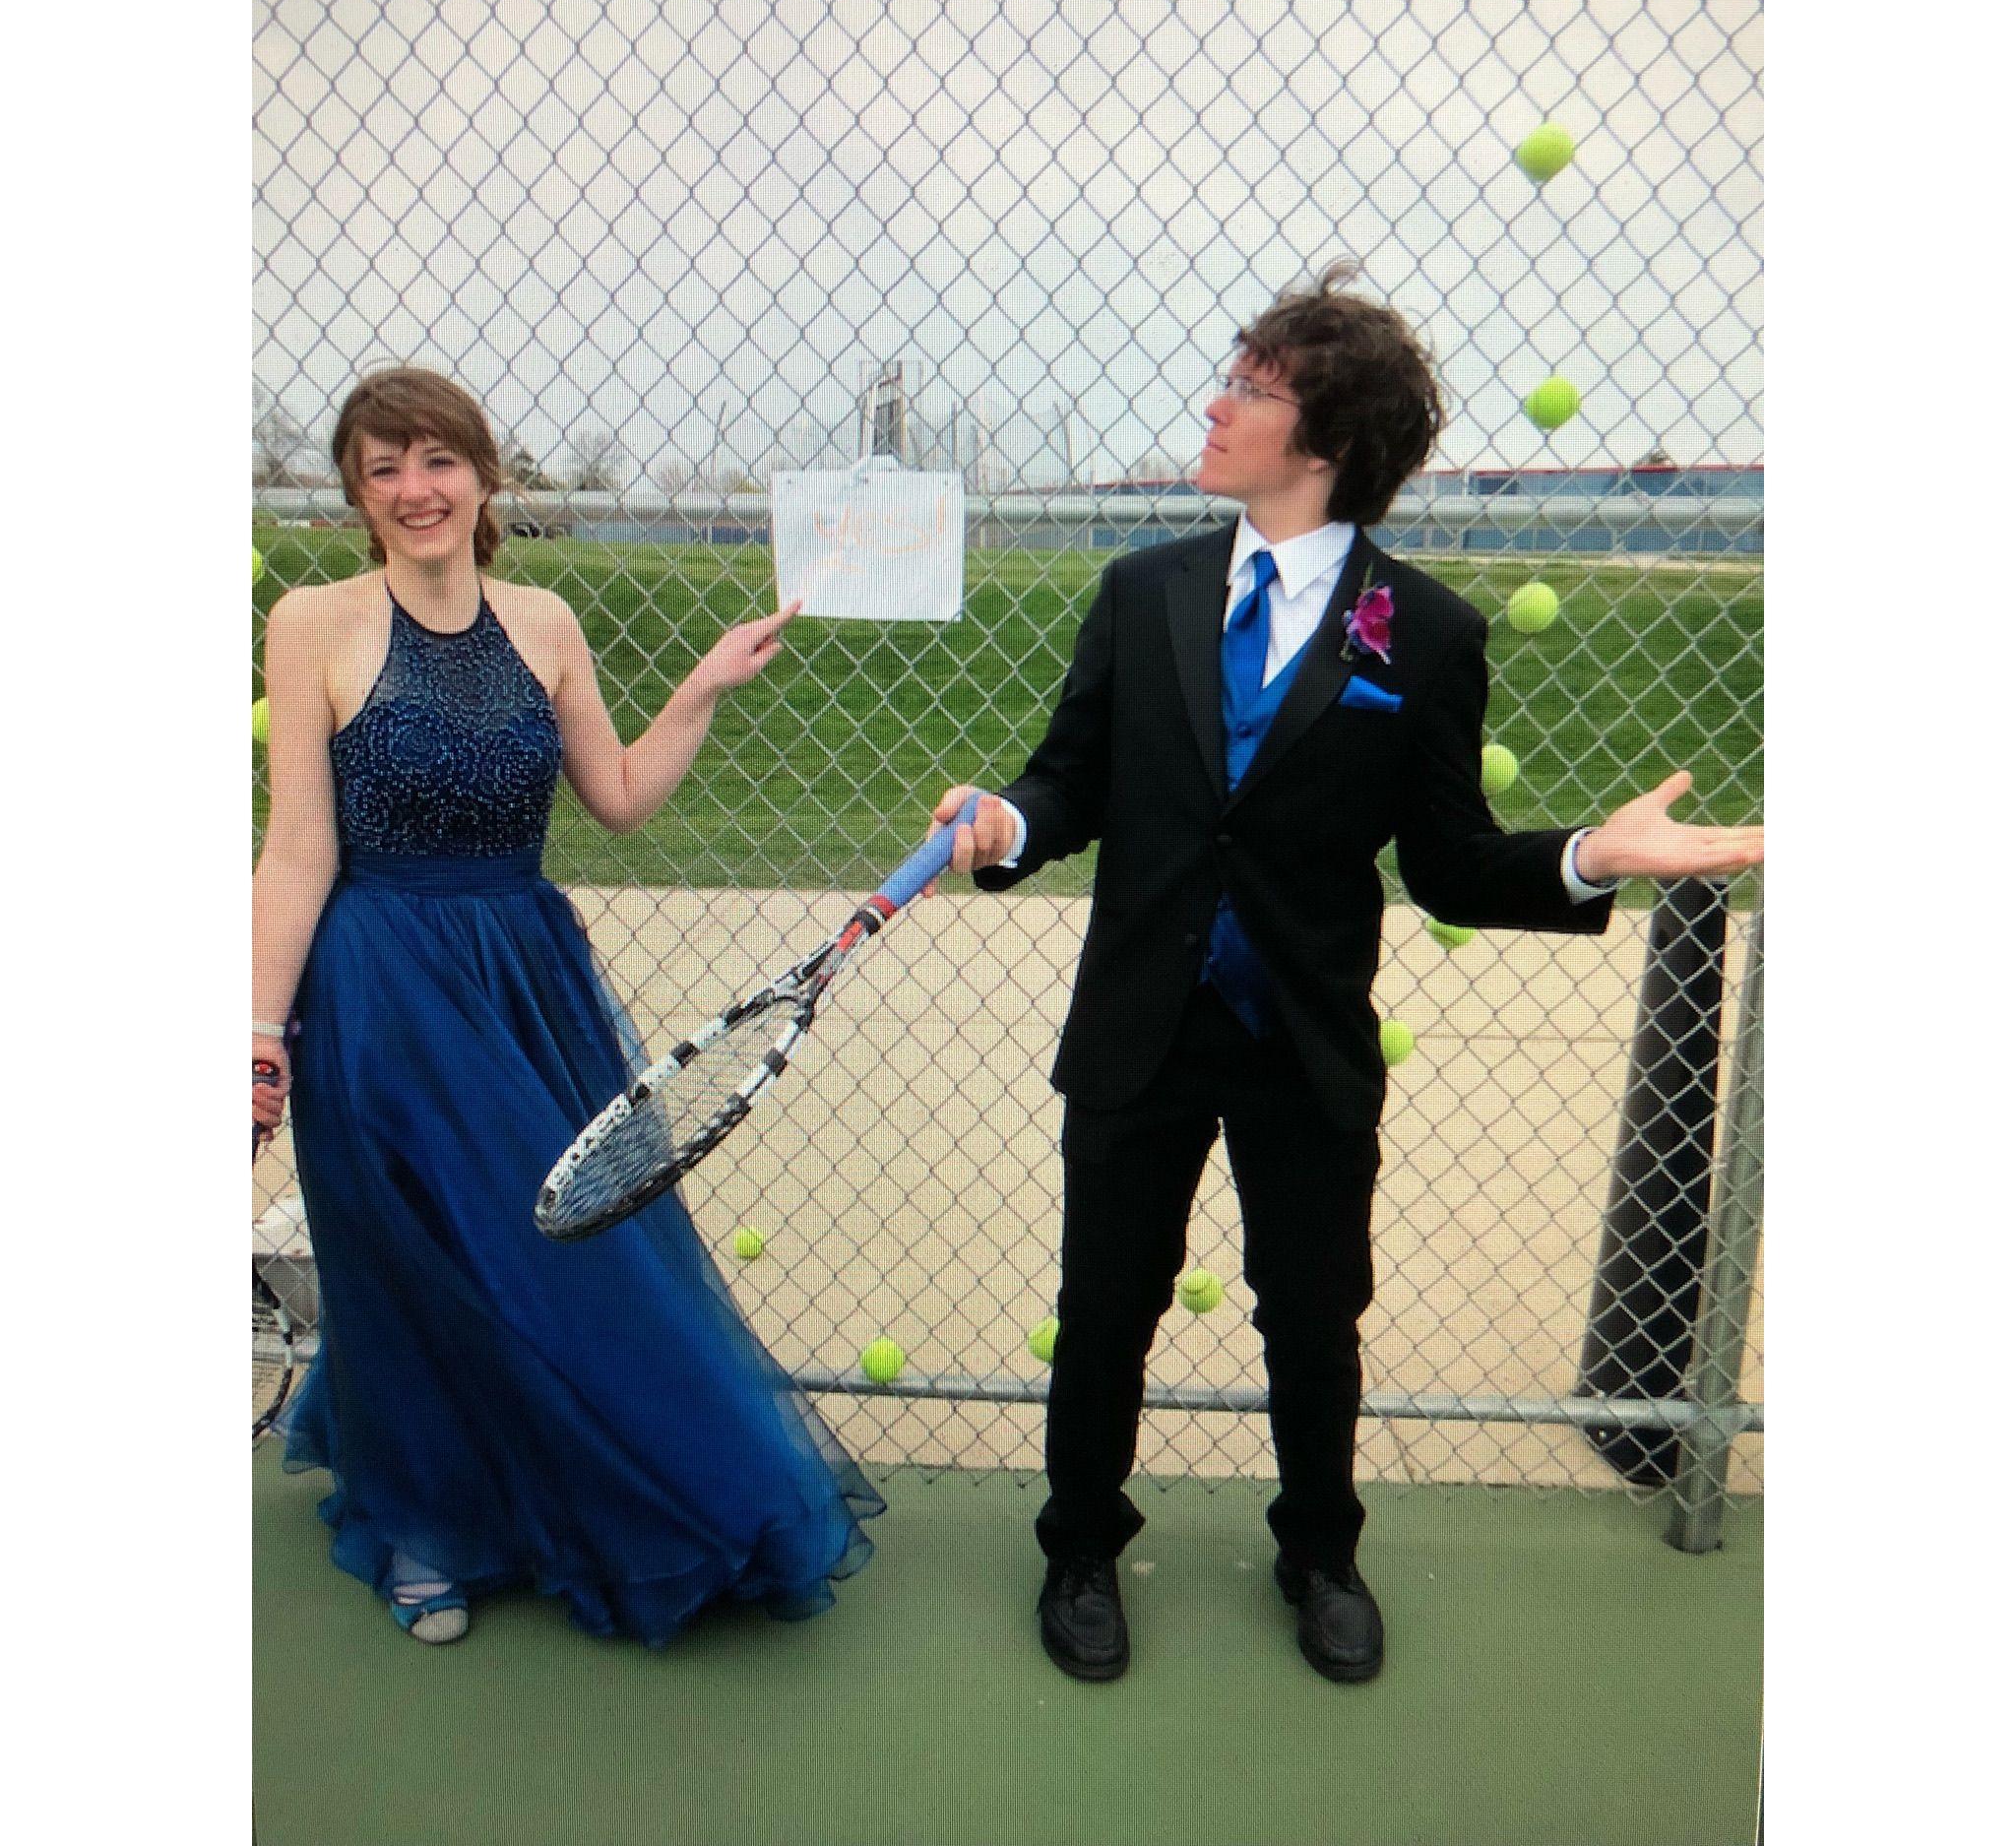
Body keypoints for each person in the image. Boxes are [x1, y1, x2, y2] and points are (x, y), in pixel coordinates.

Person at [926, 264, 1763, 1685]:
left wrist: (1593, 858)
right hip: (1141, 1026)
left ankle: (1321, 1548)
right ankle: (1079, 1544)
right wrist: (1002, 824)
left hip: (1305, 1042)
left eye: (1247, 388)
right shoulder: (1145, 595)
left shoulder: (1424, 633)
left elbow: (1446, 864)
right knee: (1108, 1302)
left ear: (1320, 442)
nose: (1215, 403)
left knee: (1315, 1317)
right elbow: (1065, 784)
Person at [252, 366, 880, 1647]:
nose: (414, 489)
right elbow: (298, 850)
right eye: (383, 468)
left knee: (576, 1260)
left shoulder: (543, 620)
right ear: (359, 496)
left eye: (438, 461)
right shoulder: (313, 621)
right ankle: (425, 1526)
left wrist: (702, 685)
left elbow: (623, 795)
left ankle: (597, 1496)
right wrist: (257, 1036)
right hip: (377, 987)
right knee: (414, 1263)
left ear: (486, 476)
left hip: (530, 982)